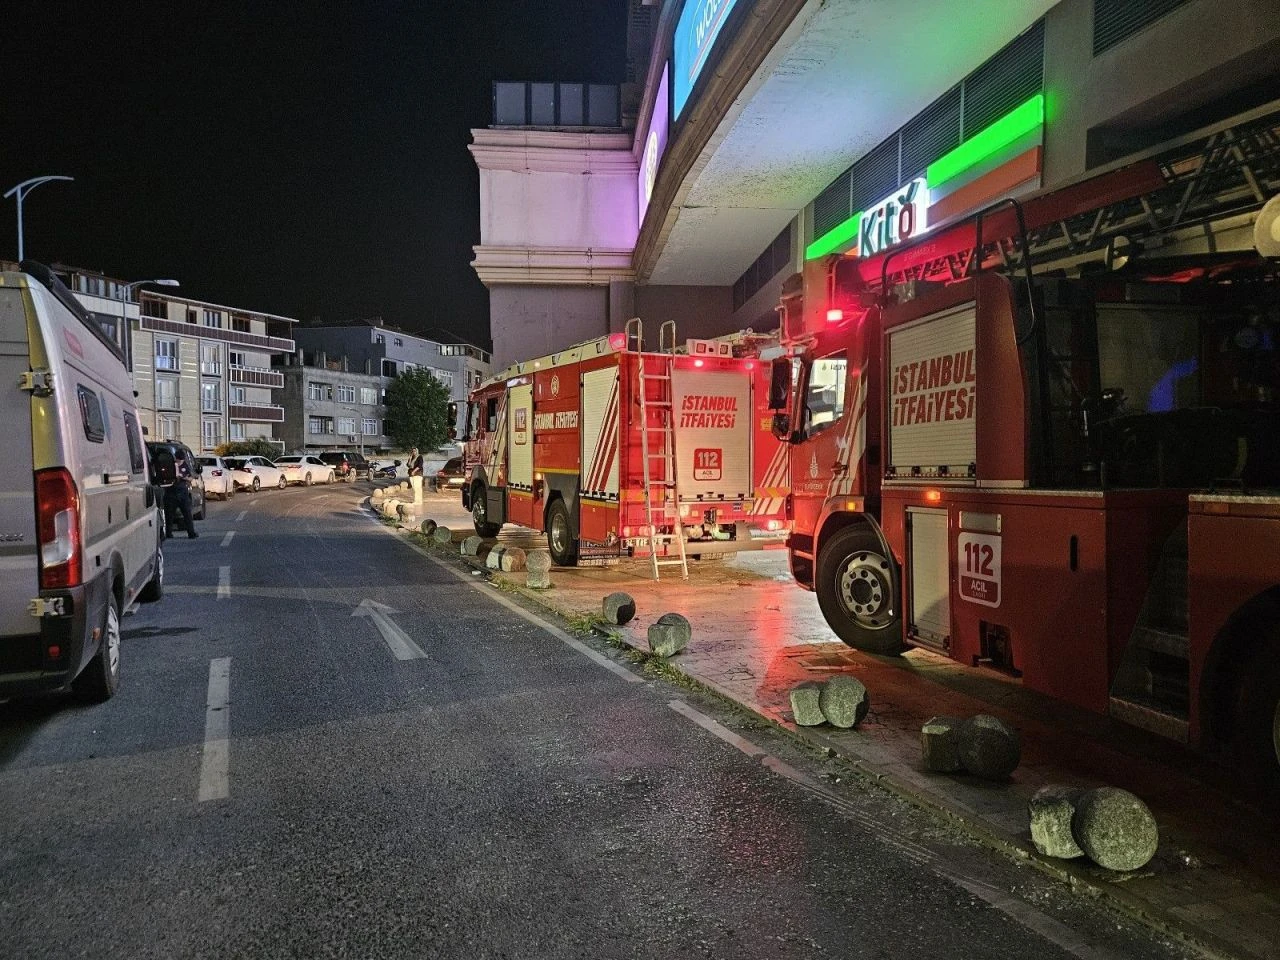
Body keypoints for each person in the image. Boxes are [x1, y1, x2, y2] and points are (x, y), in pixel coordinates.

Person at [165, 453, 198, 539]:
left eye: (181, 460)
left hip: (182, 492)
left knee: (187, 513)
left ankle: (191, 533)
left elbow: (191, 477)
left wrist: (183, 477)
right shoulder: (170, 465)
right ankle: (168, 533)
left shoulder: (185, 465)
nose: (179, 462)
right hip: (171, 491)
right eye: (178, 460)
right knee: (169, 514)